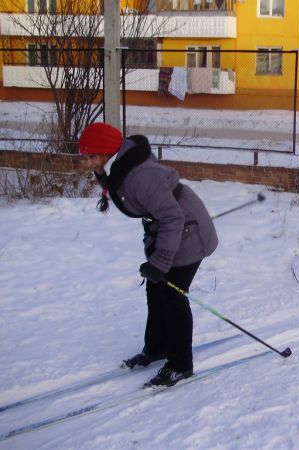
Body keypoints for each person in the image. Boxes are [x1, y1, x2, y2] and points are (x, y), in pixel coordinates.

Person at [79, 122, 218, 387]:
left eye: (92, 156)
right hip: (169, 228)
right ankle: (157, 347)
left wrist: (161, 261)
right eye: (85, 157)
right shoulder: (119, 166)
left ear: (108, 153)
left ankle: (180, 365)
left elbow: (173, 217)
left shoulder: (139, 175)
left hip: (188, 230)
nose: (88, 163)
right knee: (156, 287)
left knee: (173, 295)